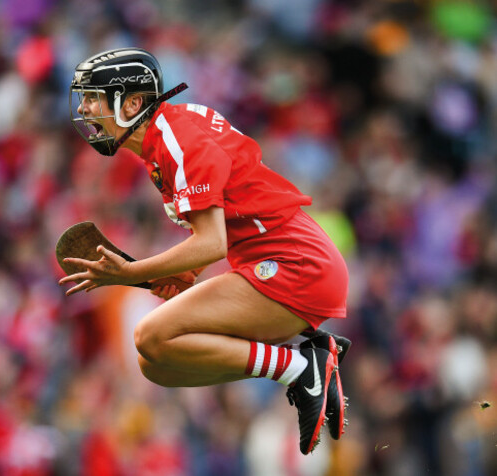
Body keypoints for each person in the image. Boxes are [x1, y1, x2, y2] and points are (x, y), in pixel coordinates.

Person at [59, 48, 350, 455]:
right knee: (157, 363)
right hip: (280, 259)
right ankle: (304, 361)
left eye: (94, 97)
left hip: (295, 263)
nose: (86, 109)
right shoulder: (163, 138)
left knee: (150, 334)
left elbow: (212, 242)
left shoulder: (175, 141)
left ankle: (300, 368)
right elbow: (227, 224)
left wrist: (130, 273)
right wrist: (187, 274)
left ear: (132, 103)